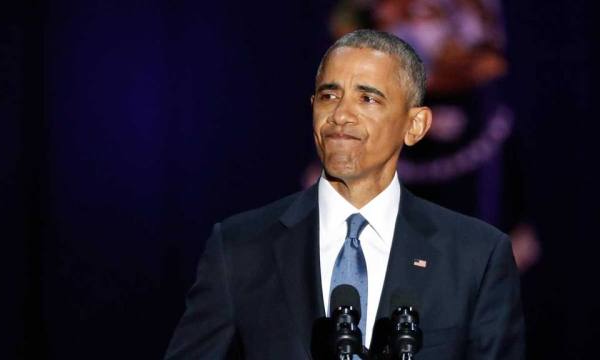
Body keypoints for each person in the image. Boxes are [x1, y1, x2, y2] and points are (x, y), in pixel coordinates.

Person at [163, 29, 525, 359]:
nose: (340, 115)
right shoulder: (240, 246)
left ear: (415, 126)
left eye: (367, 99)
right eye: (329, 95)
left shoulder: (476, 255)